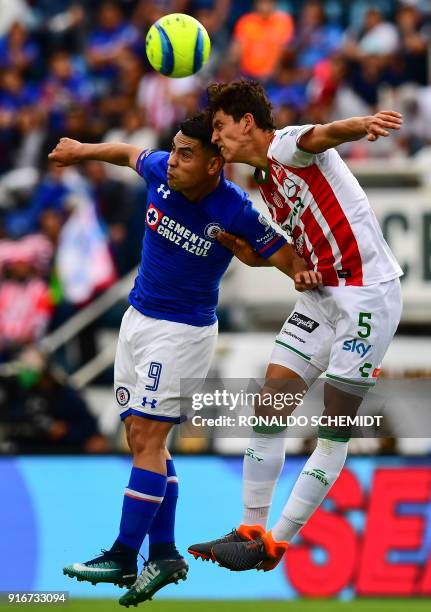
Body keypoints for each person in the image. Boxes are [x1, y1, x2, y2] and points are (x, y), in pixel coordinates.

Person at [48, 111, 321, 605]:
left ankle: (123, 555)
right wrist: (79, 149)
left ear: (216, 164)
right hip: (137, 320)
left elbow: (281, 256)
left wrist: (297, 273)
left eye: (186, 154)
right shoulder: (160, 171)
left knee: (151, 437)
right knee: (141, 438)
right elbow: (127, 154)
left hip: (181, 333)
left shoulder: (234, 208)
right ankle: (167, 553)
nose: (172, 162)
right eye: (173, 150)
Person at [188, 80, 403, 572]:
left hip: (368, 295)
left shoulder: (285, 146)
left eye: (220, 127)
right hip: (323, 294)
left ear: (247, 123)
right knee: (269, 403)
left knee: (335, 428)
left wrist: (362, 125)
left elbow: (325, 134)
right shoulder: (267, 184)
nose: (215, 139)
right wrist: (262, 261)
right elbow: (305, 244)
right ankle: (250, 529)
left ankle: (278, 543)